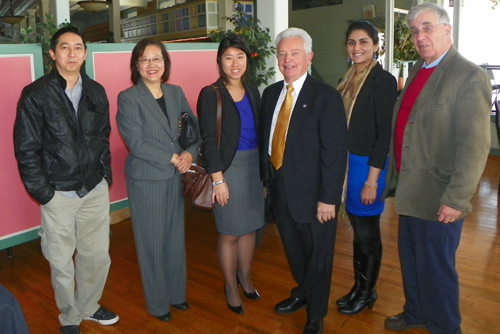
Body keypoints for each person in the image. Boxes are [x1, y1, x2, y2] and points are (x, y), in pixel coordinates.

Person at [382, 4, 491, 334]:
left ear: (447, 30)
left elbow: (475, 146)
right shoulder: (418, 68)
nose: (420, 36)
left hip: (439, 192)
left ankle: (445, 327)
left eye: (427, 27)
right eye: (415, 31)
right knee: (412, 259)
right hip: (410, 187)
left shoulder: (469, 76)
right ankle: (415, 311)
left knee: (436, 268)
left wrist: (457, 198)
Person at [13, 26, 118, 334]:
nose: (72, 53)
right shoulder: (36, 94)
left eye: (78, 47)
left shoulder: (96, 90)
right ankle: (70, 317)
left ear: (85, 53)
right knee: (61, 263)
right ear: (52, 54)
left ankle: (89, 305)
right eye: (65, 48)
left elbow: (102, 137)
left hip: (93, 187)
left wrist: (104, 176)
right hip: (58, 192)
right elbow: (26, 148)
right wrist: (44, 193)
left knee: (96, 255)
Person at [261, 27, 347, 334]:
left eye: (294, 53)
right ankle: (303, 291)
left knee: (318, 256)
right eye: (282, 53)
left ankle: (316, 315)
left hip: (315, 197)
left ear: (309, 57)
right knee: (295, 252)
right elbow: (266, 144)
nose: (287, 59)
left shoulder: (326, 97)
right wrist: (265, 185)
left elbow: (335, 154)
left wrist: (329, 199)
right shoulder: (271, 94)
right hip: (281, 192)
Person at [116, 38, 200, 323]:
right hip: (147, 178)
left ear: (165, 63)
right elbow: (136, 143)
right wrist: (174, 159)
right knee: (151, 241)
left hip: (174, 177)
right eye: (145, 59)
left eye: (157, 59)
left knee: (174, 237)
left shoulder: (175, 92)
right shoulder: (128, 98)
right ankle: (158, 303)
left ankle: (177, 294)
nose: (152, 65)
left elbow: (192, 129)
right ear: (136, 65)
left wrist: (189, 153)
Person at [197, 35, 264, 315]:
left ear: (247, 60)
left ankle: (245, 277)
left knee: (249, 228)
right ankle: (230, 285)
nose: (234, 63)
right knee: (230, 233)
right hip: (227, 169)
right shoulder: (211, 93)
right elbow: (208, 141)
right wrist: (218, 179)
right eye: (228, 57)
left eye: (240, 57)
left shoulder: (252, 91)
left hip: (253, 169)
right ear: (219, 61)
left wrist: (264, 177)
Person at [335, 21, 397, 315]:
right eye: (351, 42)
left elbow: (384, 134)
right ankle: (359, 287)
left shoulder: (382, 81)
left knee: (368, 232)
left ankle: (367, 292)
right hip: (349, 162)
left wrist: (372, 181)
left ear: (375, 46)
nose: (356, 48)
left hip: (368, 166)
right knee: (359, 231)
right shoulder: (347, 79)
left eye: (363, 42)